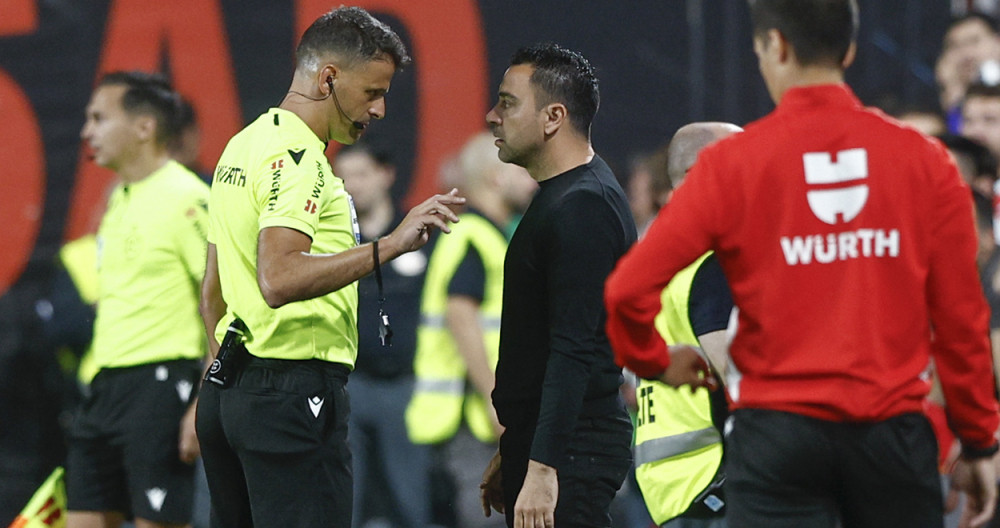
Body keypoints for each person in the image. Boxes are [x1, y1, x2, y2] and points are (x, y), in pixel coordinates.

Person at [604, 1, 1000, 527]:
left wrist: (654, 360)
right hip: (890, 440)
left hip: (778, 445)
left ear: (775, 46)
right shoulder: (924, 161)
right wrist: (978, 443)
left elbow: (626, 291)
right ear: (850, 49)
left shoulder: (731, 166)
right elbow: (961, 320)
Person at [195, 7, 465, 528]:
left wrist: (233, 384)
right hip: (290, 397)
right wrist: (390, 245)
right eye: (372, 92)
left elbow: (213, 290)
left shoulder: (243, 145)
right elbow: (278, 278)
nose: (381, 109)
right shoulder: (300, 160)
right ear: (328, 79)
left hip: (232, 392)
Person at [479, 42, 636, 528]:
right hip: (556, 445)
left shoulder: (582, 207)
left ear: (553, 117)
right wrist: (520, 447)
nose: (491, 117)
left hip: (572, 453)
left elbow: (575, 350)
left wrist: (544, 466)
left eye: (507, 103)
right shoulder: (567, 196)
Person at [68, 71, 209, 528]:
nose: (87, 131)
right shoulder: (121, 199)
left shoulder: (188, 198)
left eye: (98, 118)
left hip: (161, 386)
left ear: (144, 127)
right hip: (105, 385)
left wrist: (203, 402)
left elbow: (224, 305)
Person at [406, 131, 535, 528]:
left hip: (476, 412)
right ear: (497, 178)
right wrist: (496, 402)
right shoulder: (473, 237)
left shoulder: (485, 235)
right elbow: (460, 317)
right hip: (471, 416)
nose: (533, 180)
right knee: (486, 518)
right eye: (523, 171)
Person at [634, 122, 740, 528]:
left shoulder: (656, 256)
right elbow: (738, 374)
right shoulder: (712, 264)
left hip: (674, 491)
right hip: (720, 486)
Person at [334, 143, 433, 528]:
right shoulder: (331, 242)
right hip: (350, 384)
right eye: (342, 177)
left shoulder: (421, 237)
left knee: (412, 500)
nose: (350, 186)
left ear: (386, 174)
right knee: (347, 499)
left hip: (407, 386)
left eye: (359, 174)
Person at [937, 11, 1000, 133]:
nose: (966, 54)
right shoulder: (938, 105)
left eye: (974, 41)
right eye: (956, 46)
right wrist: (953, 97)